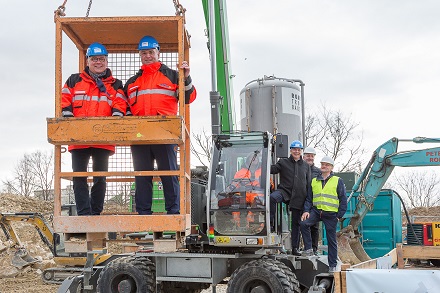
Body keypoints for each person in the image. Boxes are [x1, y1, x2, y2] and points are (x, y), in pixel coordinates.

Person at [124, 35, 197, 215]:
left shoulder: (173, 75)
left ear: (158, 52)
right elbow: (125, 107)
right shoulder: (132, 82)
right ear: (140, 55)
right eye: (144, 53)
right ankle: (143, 215)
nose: (148, 56)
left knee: (169, 174)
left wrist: (186, 78)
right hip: (140, 137)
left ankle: (173, 213)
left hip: (165, 134)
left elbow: (188, 98)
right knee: (142, 177)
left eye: (151, 52)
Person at [61, 42, 127, 216]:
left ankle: (95, 212)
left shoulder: (115, 84)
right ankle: (84, 214)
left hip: (103, 139)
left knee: (100, 177)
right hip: (78, 138)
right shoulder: (74, 80)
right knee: (79, 176)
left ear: (106, 61)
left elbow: (120, 102)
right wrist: (66, 113)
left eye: (102, 59)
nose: (99, 62)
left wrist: (117, 115)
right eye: (95, 59)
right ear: (88, 61)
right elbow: (64, 97)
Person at [300, 156, 347, 273]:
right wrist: (306, 211)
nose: (323, 166)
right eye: (322, 164)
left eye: (326, 164)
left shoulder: (337, 180)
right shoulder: (314, 181)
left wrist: (339, 215)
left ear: (331, 167)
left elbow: (343, 199)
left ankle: (332, 265)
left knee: (331, 240)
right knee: (304, 224)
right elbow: (309, 199)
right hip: (316, 211)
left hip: (331, 214)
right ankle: (309, 249)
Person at [270, 140, 311, 256]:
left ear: (301, 151)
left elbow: (308, 184)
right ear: (290, 150)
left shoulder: (306, 166)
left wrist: (308, 201)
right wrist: (260, 163)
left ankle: (295, 248)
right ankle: (271, 225)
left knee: (296, 223)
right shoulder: (283, 162)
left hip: (299, 196)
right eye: (294, 149)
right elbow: (272, 169)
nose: (296, 151)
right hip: (285, 192)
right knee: (273, 198)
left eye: (298, 149)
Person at [303, 146, 321, 255]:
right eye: (308, 156)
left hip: (314, 202)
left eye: (312, 156)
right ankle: (306, 248)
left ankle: (314, 249)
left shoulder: (318, 172)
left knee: (314, 227)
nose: (310, 158)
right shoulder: (300, 168)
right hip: (301, 201)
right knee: (302, 224)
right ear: (303, 156)